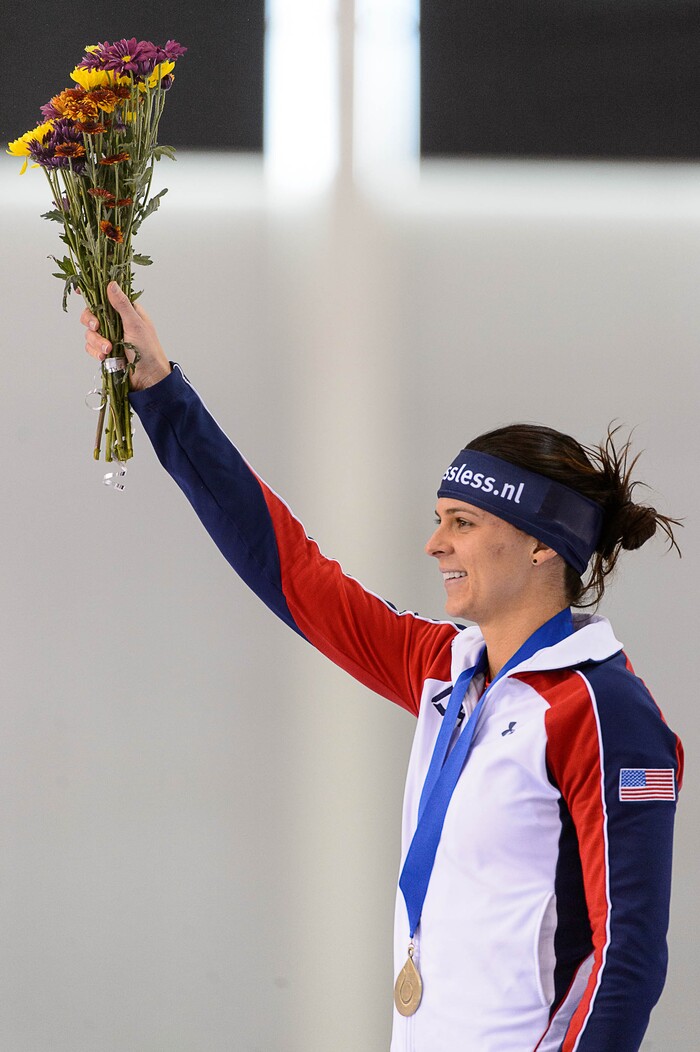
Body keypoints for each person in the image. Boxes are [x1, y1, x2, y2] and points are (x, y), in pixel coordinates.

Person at [80, 283, 684, 1052]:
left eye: (461, 524)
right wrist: (159, 392)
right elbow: (290, 570)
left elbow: (627, 956)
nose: (435, 545)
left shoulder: (602, 710)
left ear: (542, 545)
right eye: (438, 521)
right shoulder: (448, 670)